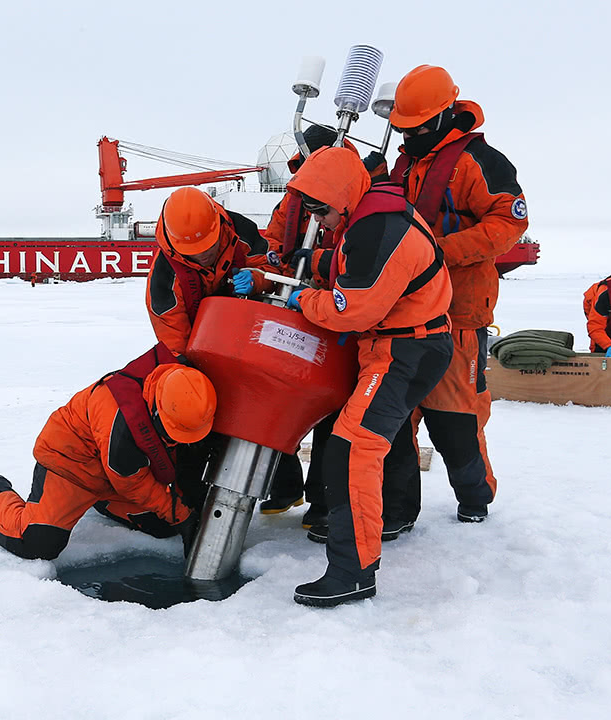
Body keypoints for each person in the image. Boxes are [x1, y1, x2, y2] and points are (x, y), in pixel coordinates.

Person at [282, 147, 453, 606]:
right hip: (396, 345)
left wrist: (305, 300)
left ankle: (353, 573)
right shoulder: (367, 217)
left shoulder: (380, 227)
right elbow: (350, 265)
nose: (319, 219)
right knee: (378, 438)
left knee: (353, 447)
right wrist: (305, 265)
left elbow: (352, 308)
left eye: (320, 209)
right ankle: (392, 517)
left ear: (341, 196)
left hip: (404, 350)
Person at [379, 64, 529, 532]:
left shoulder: (482, 162)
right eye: (403, 128)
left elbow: (510, 224)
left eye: (419, 126)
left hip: (459, 316)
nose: (411, 135)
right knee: (394, 423)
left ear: (445, 114)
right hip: (400, 316)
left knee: (457, 421)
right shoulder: (402, 165)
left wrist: (439, 253)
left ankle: (475, 498)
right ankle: (397, 513)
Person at [0, 346, 217, 561]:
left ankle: (100, 502)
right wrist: (182, 514)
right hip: (72, 466)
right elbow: (131, 481)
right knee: (38, 543)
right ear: (157, 410)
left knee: (162, 526)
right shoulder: (120, 424)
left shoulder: (185, 386)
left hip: (114, 474)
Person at [259, 126, 392, 526]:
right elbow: (275, 239)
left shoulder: (360, 190)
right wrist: (269, 272)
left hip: (341, 312)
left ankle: (321, 501)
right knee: (275, 395)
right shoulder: (294, 197)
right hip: (299, 304)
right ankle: (284, 486)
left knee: (333, 407)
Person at [146, 186, 279, 359]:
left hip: (253, 336)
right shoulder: (163, 283)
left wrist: (256, 279)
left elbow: (274, 271)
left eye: (208, 245)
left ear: (219, 227)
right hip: (201, 345)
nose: (203, 254)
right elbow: (176, 347)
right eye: (193, 250)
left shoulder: (242, 231)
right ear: (175, 245)